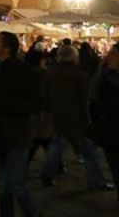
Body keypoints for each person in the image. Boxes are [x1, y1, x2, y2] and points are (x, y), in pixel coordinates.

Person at [0, 31, 41, 217]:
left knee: (17, 184)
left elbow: (36, 102)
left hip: (17, 131)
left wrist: (11, 107)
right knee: (1, 184)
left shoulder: (22, 70)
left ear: (6, 48)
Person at [39, 44, 110, 190]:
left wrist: (47, 112)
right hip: (77, 118)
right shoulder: (80, 75)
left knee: (57, 146)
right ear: (74, 57)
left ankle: (47, 172)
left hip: (58, 115)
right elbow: (87, 99)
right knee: (89, 152)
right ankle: (96, 181)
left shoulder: (49, 73)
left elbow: (44, 96)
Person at [90, 42, 119, 204]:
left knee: (115, 165)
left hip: (109, 129)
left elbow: (93, 104)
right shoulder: (102, 78)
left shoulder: (100, 77)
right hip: (110, 128)